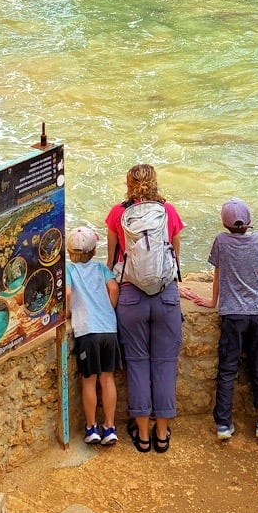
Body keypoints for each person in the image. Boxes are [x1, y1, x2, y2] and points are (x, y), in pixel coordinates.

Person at [106, 163, 184, 454]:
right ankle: (162, 435)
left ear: (128, 184)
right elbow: (175, 254)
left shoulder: (118, 213)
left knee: (137, 364)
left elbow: (113, 257)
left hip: (130, 297)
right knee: (164, 365)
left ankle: (141, 436)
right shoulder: (169, 210)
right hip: (165, 297)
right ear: (154, 182)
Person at [183, 198, 258, 441]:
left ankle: (224, 423)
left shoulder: (221, 241)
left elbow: (218, 273)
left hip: (232, 314)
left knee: (227, 368)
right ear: (249, 221)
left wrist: (213, 302)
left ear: (224, 223)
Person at [65, 224, 122, 446]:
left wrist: (69, 312)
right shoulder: (102, 269)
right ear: (94, 250)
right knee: (107, 379)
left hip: (87, 331)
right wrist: (110, 308)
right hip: (108, 328)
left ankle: (91, 428)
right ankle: (109, 427)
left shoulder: (70, 270)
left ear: (70, 252)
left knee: (89, 381)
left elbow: (68, 292)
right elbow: (114, 289)